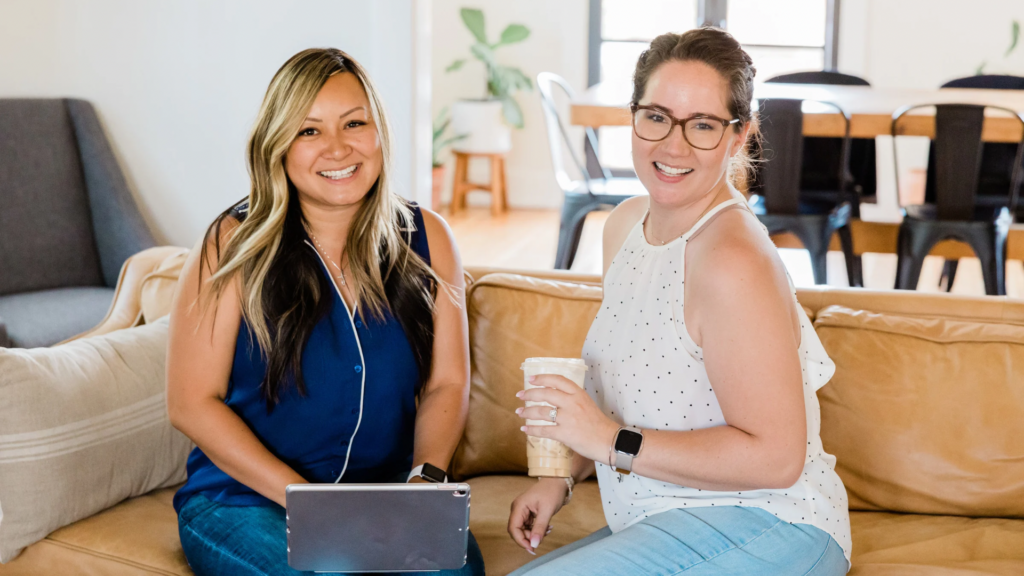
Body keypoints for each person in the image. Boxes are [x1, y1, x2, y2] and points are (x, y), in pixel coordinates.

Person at [507, 28, 851, 575]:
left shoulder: (731, 258)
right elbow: (624, 388)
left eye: (704, 126)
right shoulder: (624, 227)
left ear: (739, 137)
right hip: (666, 520)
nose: (673, 145)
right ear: (634, 116)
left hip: (773, 525)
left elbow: (778, 457)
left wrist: (606, 440)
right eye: (657, 116)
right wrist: (559, 475)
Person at [166, 48, 485, 576]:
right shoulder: (234, 243)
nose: (337, 148)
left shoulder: (428, 239)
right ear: (279, 147)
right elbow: (191, 402)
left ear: (379, 132)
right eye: (308, 131)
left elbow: (446, 384)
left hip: (382, 504)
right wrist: (310, 505)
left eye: (354, 123)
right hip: (246, 502)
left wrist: (422, 486)